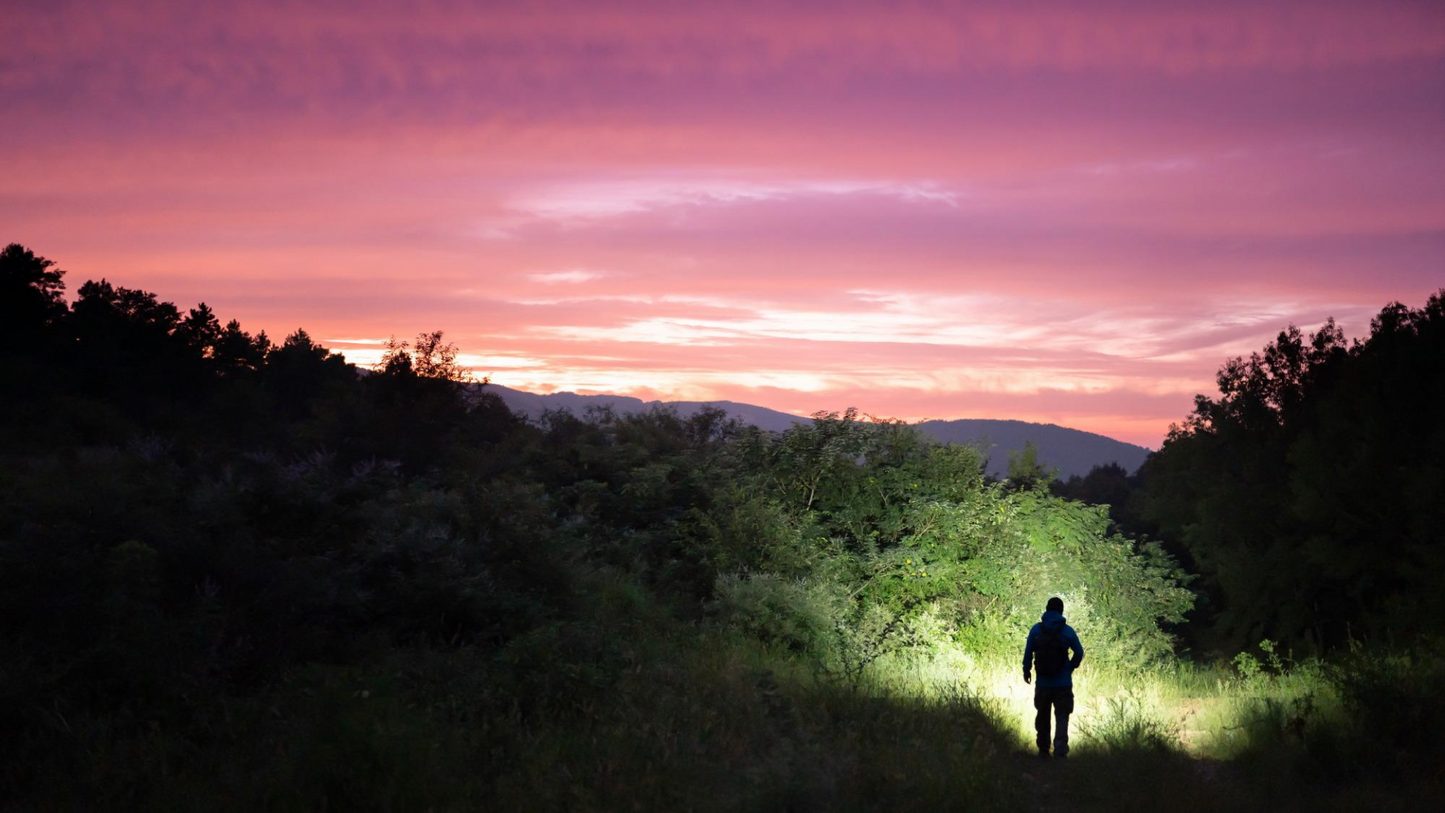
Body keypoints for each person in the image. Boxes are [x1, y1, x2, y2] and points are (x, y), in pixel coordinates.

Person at [1022, 596, 1085, 759]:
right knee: (1062, 716)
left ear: (1047, 609)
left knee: (1043, 714)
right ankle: (1060, 750)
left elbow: (1028, 652)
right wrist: (1070, 667)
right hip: (1063, 682)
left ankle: (1043, 750)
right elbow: (1079, 652)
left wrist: (1026, 670)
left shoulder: (1036, 630)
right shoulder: (1067, 631)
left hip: (1043, 682)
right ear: (1061, 610)